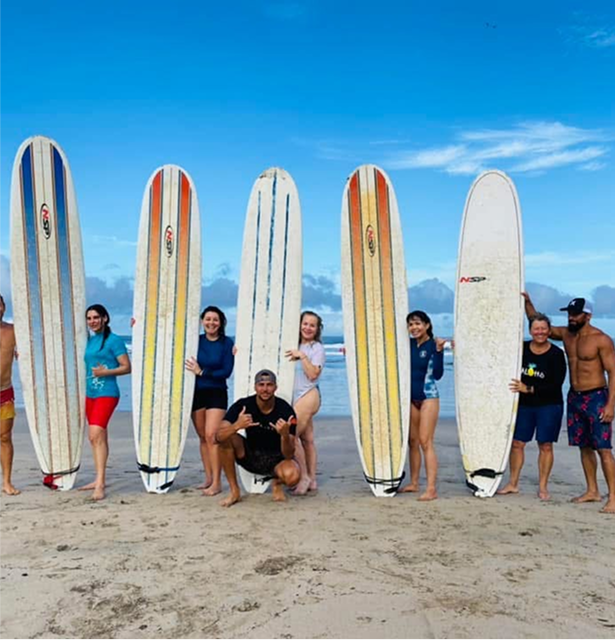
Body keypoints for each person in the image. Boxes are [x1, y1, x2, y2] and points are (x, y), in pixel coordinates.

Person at [524, 294, 615, 514]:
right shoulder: (567, 334)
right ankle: (592, 490)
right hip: (575, 397)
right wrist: (527, 302)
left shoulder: (601, 339)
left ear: (588, 316)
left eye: (576, 314)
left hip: (596, 397)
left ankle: (613, 496)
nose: (571, 317)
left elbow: (613, 373)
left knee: (603, 448)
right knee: (584, 446)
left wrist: (610, 405)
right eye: (570, 314)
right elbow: (538, 324)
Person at [498, 313, 567, 500]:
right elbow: (497, 355)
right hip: (524, 405)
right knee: (517, 444)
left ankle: (543, 487)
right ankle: (513, 483)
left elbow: (556, 385)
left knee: (545, 445)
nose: (540, 332)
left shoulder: (556, 354)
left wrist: (528, 388)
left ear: (549, 331)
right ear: (530, 331)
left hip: (549, 405)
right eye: (536, 329)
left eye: (544, 329)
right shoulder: (521, 349)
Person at [216, 369, 300, 507]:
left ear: (275, 387)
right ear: (255, 387)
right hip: (249, 455)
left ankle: (277, 482)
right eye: (261, 385)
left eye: (269, 385)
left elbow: (289, 454)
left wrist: (284, 435)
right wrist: (236, 426)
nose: (265, 389)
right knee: (227, 438)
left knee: (293, 477)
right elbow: (218, 437)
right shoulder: (243, 406)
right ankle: (234, 491)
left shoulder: (285, 410)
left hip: (276, 460)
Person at [80, 304, 131, 501]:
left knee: (94, 434)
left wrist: (105, 372)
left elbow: (126, 367)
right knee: (97, 438)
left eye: (96, 317)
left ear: (105, 318)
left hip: (107, 393)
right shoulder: (90, 340)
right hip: (90, 394)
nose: (92, 321)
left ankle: (100, 484)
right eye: (89, 318)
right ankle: (98, 478)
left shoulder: (114, 340)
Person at [185, 306, 234, 496]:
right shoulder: (194, 342)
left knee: (212, 436)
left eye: (215, 320)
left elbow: (226, 371)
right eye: (208, 319)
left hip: (216, 392)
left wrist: (202, 372)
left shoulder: (226, 343)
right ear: (202, 321)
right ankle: (208, 477)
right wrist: (137, 324)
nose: (211, 323)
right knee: (203, 437)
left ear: (220, 323)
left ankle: (217, 482)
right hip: (196, 392)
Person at [399, 310, 447, 501]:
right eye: (411, 324)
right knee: (413, 442)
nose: (414, 327)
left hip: (428, 397)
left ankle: (431, 488)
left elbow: (438, 375)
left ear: (427, 325)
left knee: (425, 441)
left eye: (418, 323)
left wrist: (440, 351)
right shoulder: (407, 345)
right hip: (410, 398)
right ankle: (414, 483)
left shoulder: (433, 345)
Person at [285, 311, 326, 495]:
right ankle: (313, 479)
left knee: (291, 436)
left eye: (312, 325)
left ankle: (304, 477)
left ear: (317, 329)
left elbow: (313, 374)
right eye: (305, 323)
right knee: (307, 440)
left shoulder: (317, 348)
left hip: (309, 395)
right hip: (294, 397)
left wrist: (302, 356)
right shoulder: (291, 343)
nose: (308, 328)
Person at [0, 293, 19, 496]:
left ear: (4, 307)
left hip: (4, 392)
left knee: (5, 437)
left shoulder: (13, 331)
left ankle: (6, 482)